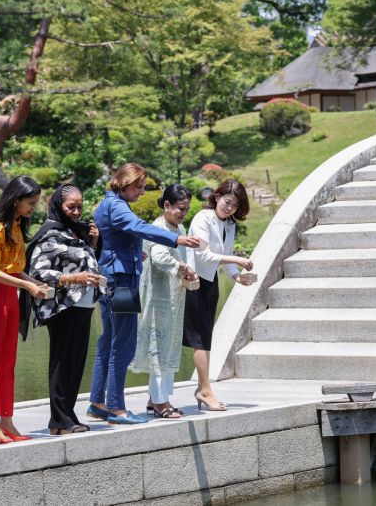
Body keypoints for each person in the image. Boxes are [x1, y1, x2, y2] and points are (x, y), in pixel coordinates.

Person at [88, 163, 201, 425]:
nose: (142, 192)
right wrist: (176, 239)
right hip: (123, 282)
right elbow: (138, 226)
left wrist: (132, 253)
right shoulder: (117, 206)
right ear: (125, 183)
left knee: (108, 340)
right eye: (138, 187)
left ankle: (97, 403)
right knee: (123, 343)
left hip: (111, 277)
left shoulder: (105, 204)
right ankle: (116, 408)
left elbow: (111, 240)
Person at [0, 175, 49, 444]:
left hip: (9, 293)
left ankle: (6, 419)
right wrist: (26, 285)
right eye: (31, 203)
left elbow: (15, 269)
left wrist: (33, 283)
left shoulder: (16, 225)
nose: (33, 208)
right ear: (16, 200)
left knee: (8, 361)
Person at [25, 184, 103, 435]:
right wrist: (73, 278)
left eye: (80, 206)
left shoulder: (75, 231)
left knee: (75, 363)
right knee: (62, 362)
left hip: (83, 305)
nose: (77, 211)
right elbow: (38, 272)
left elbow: (84, 262)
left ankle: (67, 415)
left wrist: (93, 243)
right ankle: (58, 420)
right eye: (71, 207)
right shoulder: (49, 234)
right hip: (62, 307)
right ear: (59, 205)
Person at [184, 178, 253, 412]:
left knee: (205, 338)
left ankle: (203, 389)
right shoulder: (202, 218)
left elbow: (225, 255)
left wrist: (236, 276)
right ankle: (204, 390)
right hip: (193, 282)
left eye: (235, 205)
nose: (229, 208)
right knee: (199, 340)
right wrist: (235, 260)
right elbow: (203, 255)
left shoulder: (229, 224)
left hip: (210, 282)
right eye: (227, 202)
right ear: (216, 197)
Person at [130, 184, 198, 419]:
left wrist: (187, 270)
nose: (183, 213)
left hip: (174, 296)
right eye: (180, 208)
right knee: (158, 349)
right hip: (158, 297)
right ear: (167, 205)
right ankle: (161, 402)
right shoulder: (158, 228)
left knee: (168, 347)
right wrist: (181, 267)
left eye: (187, 209)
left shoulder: (179, 227)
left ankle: (155, 399)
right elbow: (159, 256)